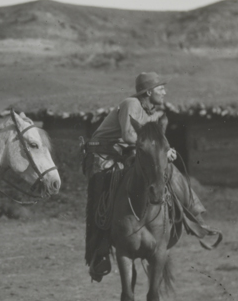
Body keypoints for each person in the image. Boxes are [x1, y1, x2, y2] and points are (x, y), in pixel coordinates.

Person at [83, 71, 210, 281]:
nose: (164, 92)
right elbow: (128, 134)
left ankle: (195, 215)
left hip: (125, 153)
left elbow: (153, 140)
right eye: (161, 89)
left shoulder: (152, 113)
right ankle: (99, 252)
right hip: (103, 154)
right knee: (102, 192)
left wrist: (165, 151)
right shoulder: (131, 104)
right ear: (149, 92)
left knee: (165, 169)